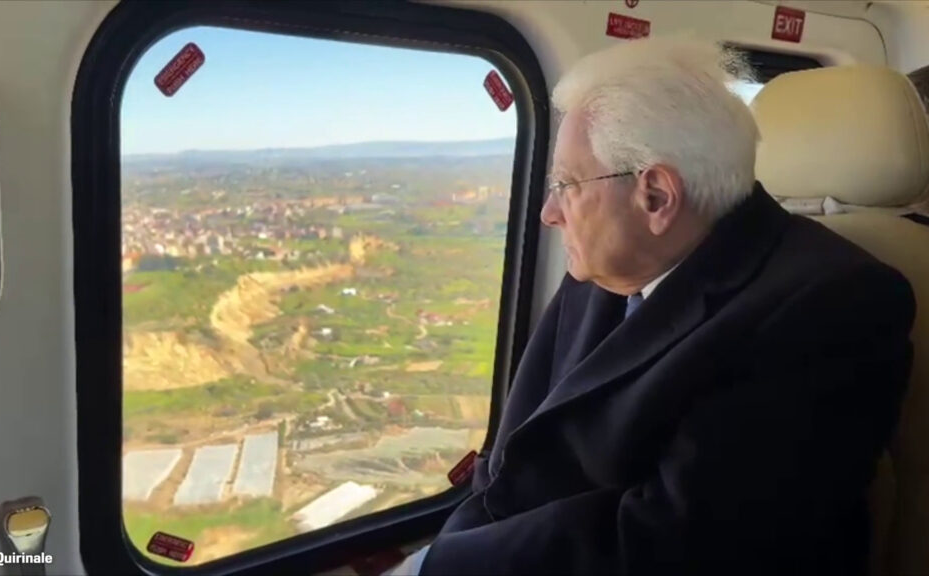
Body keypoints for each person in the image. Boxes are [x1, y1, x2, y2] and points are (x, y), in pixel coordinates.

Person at [387, 36, 915, 575]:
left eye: (566, 184)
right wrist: (438, 555)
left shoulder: (833, 307)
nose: (548, 212)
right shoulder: (607, 263)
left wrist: (440, 567)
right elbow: (510, 465)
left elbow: (675, 543)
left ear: (657, 197)